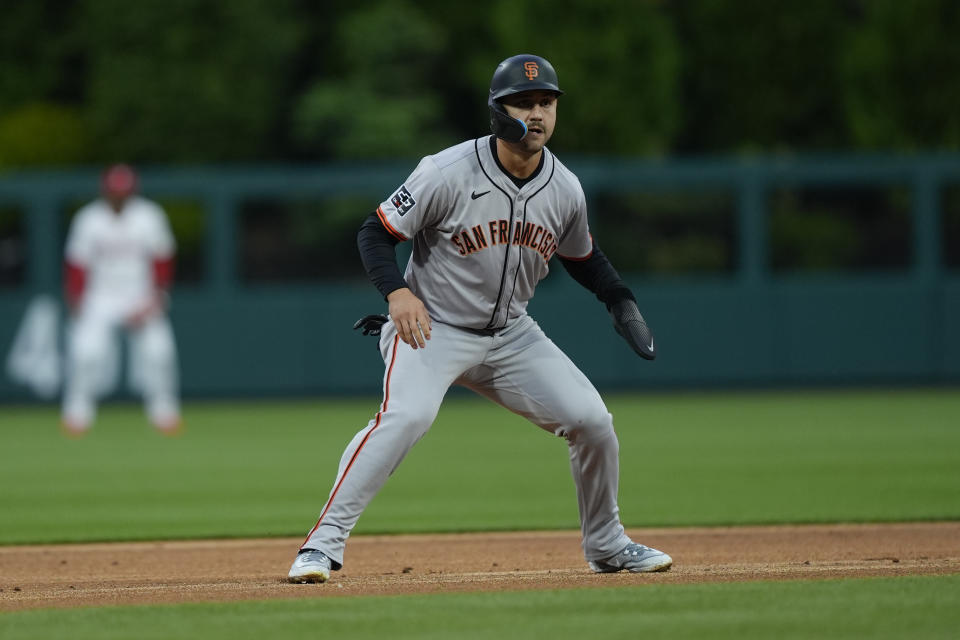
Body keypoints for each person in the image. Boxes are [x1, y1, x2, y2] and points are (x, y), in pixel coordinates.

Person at [288, 54, 670, 583]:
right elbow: (375, 233)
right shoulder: (445, 172)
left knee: (593, 423)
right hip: (431, 329)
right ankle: (321, 546)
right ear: (498, 112)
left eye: (546, 103)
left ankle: (607, 545)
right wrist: (397, 292)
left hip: (512, 336)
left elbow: (583, 258)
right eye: (524, 103)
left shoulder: (564, 188)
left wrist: (620, 299)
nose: (537, 114)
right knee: (406, 418)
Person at [61, 163, 181, 436]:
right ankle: (77, 413)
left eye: (123, 191)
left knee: (159, 353)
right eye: (114, 191)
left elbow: (162, 259)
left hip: (140, 293)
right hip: (100, 295)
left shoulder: (149, 215)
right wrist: (77, 299)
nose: (119, 196)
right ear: (105, 191)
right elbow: (77, 264)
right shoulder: (89, 218)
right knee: (87, 353)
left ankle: (164, 412)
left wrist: (157, 297)